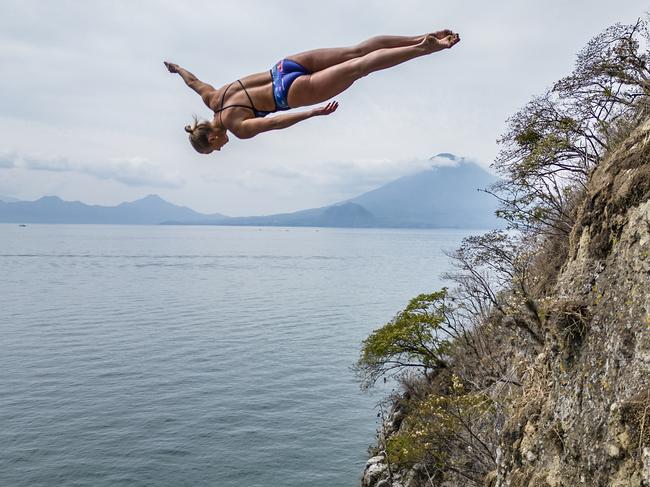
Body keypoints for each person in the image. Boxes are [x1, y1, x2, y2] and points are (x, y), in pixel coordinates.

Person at [164, 30, 460, 154]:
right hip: (281, 68)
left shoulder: (236, 127)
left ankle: (423, 48)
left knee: (359, 67)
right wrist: (177, 69)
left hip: (290, 92)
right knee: (356, 50)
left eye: (214, 149)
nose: (220, 149)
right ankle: (424, 35)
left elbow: (274, 121)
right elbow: (193, 81)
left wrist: (312, 112)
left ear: (212, 137)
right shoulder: (213, 97)